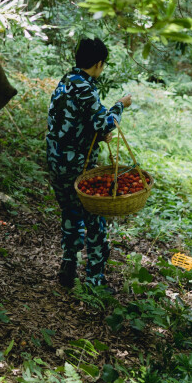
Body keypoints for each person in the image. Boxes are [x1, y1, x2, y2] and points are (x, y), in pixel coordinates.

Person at [46, 37, 132, 291]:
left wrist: (93, 132)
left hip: (55, 159)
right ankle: (95, 281)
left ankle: (68, 266)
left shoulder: (66, 81)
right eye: (102, 64)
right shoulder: (85, 87)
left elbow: (72, 120)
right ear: (98, 63)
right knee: (95, 219)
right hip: (77, 165)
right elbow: (103, 123)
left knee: (70, 213)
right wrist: (120, 106)